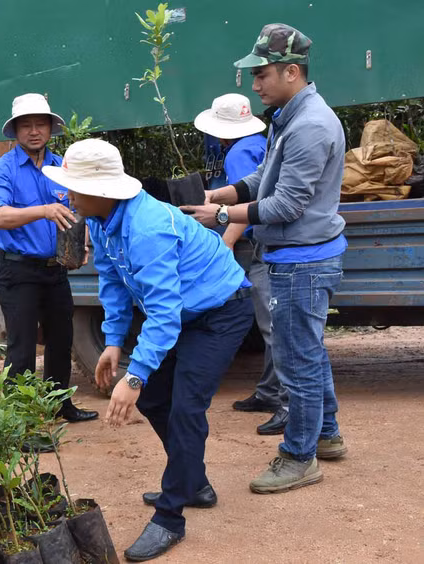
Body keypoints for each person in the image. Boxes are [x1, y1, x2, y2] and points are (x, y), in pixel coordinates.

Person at [44, 139, 254, 561]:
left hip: (221, 312)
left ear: (102, 189)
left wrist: (134, 376)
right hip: (185, 314)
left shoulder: (147, 227)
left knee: (186, 407)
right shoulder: (102, 219)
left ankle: (170, 517)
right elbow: (113, 282)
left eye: (72, 187)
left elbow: (163, 311)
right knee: (157, 400)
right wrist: (114, 342)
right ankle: (194, 481)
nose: (66, 196)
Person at [181, 23, 349, 495]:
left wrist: (219, 215)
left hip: (302, 260)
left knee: (296, 361)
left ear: (291, 72)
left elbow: (284, 206)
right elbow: (264, 178)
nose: (255, 85)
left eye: (262, 75)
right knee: (307, 351)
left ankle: (299, 456)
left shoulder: (311, 125)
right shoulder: (289, 116)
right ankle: (328, 435)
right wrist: (224, 191)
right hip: (300, 254)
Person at [0, 93, 97, 430]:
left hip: (55, 269)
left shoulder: (62, 168)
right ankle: (19, 421)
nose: (33, 131)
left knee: (62, 338)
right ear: (15, 131)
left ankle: (61, 405)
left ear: (50, 128)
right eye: (26, 125)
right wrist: (43, 211)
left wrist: (81, 243)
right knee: (22, 348)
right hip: (18, 271)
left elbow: (78, 210)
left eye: (39, 124)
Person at [194, 94, 289, 435]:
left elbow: (249, 199)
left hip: (251, 241)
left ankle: (283, 402)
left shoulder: (237, 152)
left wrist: (227, 240)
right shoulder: (257, 143)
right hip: (260, 237)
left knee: (270, 322)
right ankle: (267, 392)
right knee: (268, 320)